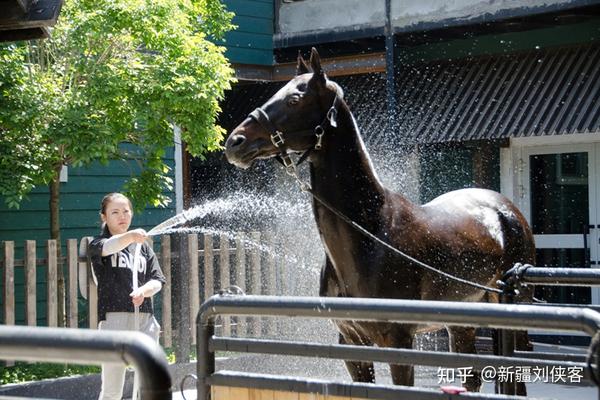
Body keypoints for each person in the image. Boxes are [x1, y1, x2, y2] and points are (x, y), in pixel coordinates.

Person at [89, 193, 166, 400]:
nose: (122, 216)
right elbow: (109, 247)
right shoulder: (98, 244)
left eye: (126, 211)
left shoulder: (144, 249)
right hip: (113, 320)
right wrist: (130, 236)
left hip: (145, 320)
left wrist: (144, 291)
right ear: (104, 217)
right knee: (112, 389)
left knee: (149, 385)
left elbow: (158, 280)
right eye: (115, 212)